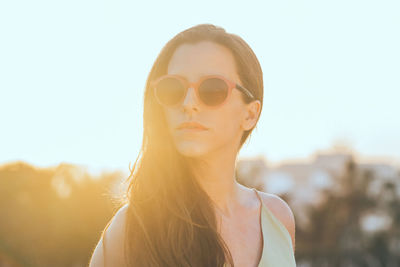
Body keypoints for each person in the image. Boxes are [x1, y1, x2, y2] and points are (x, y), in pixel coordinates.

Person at [89, 23, 296, 267]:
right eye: (172, 88)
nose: (188, 103)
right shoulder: (131, 230)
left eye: (212, 88)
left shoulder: (277, 219)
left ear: (250, 114)